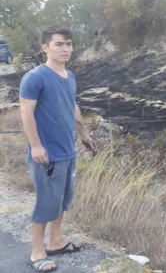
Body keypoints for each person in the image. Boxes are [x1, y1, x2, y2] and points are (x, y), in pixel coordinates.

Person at [19, 25, 96, 272]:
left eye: (69, 44)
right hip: (46, 154)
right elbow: (26, 112)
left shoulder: (69, 76)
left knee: (62, 200)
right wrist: (36, 145)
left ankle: (56, 242)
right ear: (45, 48)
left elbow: (72, 105)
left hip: (67, 150)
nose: (65, 49)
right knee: (46, 202)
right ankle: (37, 252)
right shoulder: (35, 77)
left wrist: (83, 133)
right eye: (59, 44)